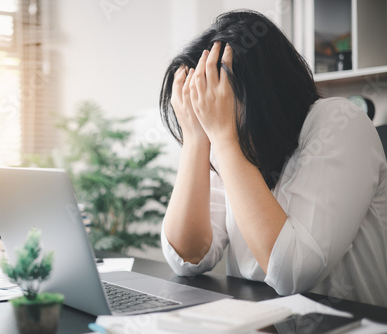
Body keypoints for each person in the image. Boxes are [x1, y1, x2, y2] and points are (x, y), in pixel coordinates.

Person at [159, 10, 387, 307]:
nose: (209, 115)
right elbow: (188, 257)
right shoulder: (225, 144)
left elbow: (292, 272)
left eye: (216, 99)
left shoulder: (340, 120)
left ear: (261, 94)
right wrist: (195, 139)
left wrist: (224, 138)